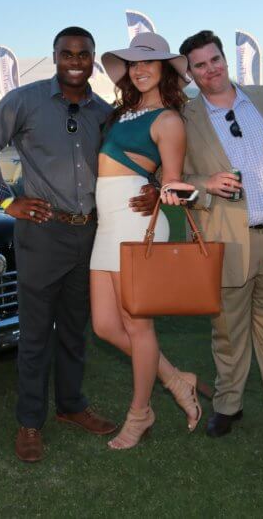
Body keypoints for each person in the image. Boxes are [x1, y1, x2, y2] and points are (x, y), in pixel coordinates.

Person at [0, 26, 158, 463]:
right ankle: (30, 422)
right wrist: (6, 199)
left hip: (90, 232)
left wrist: (155, 183)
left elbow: (136, 158)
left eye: (84, 54)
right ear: (54, 56)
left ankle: (72, 406)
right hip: (42, 231)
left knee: (75, 329)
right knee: (36, 334)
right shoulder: (26, 100)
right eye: (67, 53)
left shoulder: (105, 113)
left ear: (93, 59)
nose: (76, 60)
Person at [172, 29, 263, 448]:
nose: (210, 70)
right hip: (226, 240)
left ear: (225, 59)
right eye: (199, 65)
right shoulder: (184, 118)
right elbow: (171, 182)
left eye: (214, 60)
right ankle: (228, 405)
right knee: (228, 331)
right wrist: (205, 183)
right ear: (190, 72)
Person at [87, 32, 202, 450]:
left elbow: (173, 180)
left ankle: (140, 413)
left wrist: (163, 189)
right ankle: (175, 379)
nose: (139, 69)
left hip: (137, 225)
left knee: (139, 327)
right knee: (103, 326)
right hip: (107, 226)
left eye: (147, 62)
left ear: (164, 69)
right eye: (133, 63)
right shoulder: (120, 115)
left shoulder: (169, 119)